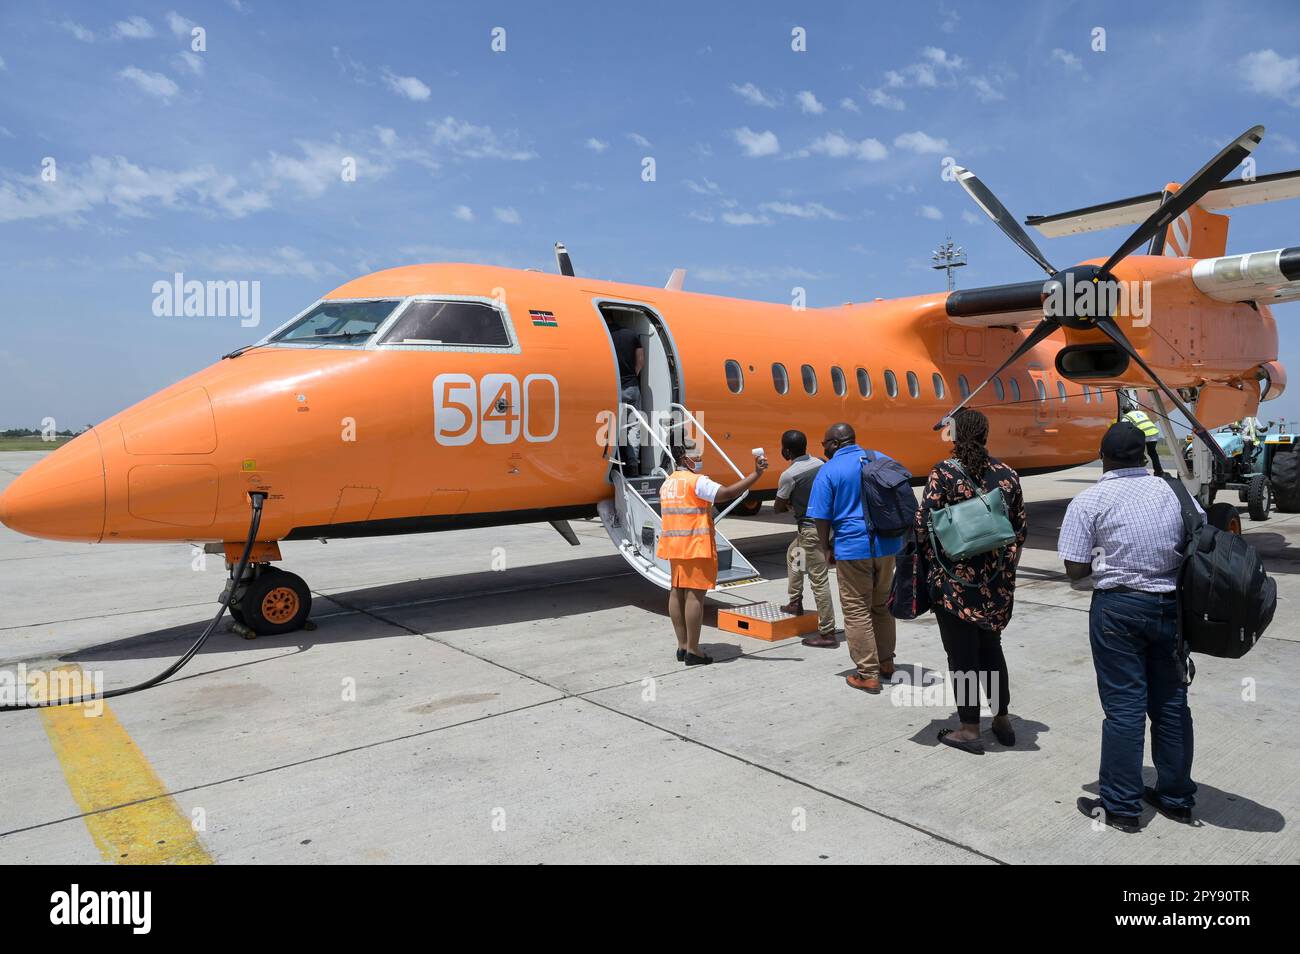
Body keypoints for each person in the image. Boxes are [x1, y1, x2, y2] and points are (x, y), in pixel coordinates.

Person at [1059, 421, 1200, 833]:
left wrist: (1110, 561)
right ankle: (1177, 798)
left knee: (1124, 709)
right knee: (1172, 704)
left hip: (1119, 609)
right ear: (1143, 455)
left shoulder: (1090, 500)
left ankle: (1121, 806)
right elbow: (1198, 538)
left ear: (1103, 457)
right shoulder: (1174, 492)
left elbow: (1074, 570)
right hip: (1170, 609)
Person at [916, 409, 1026, 754]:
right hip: (995, 585)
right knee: (992, 650)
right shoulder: (1007, 475)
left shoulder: (943, 473)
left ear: (956, 435)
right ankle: (1002, 719)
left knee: (961, 656)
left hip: (954, 586)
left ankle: (968, 728)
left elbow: (924, 525)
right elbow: (1018, 531)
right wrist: (1005, 574)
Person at [806, 422, 904, 693]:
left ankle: (868, 673)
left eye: (825, 444)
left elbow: (821, 516)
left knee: (856, 610)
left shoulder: (829, 470)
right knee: (882, 606)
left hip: (852, 547)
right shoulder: (881, 458)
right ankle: (886, 663)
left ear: (835, 444)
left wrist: (826, 547)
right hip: (887, 545)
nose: (823, 448)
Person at [657, 445, 767, 665]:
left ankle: (682, 646)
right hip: (695, 546)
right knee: (694, 596)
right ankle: (693, 650)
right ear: (686, 459)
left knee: (677, 592)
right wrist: (756, 475)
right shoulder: (696, 482)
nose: (700, 460)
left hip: (675, 546)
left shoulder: (667, 483)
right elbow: (726, 494)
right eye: (697, 457)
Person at [773, 429, 837, 645]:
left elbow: (778, 507)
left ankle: (827, 632)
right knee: (794, 555)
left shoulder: (789, 474)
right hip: (823, 526)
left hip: (812, 530)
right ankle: (795, 601)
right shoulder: (820, 462)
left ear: (786, 450)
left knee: (819, 580)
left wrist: (791, 501)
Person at [610, 324, 645, 475]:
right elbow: (640, 360)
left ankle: (615, 463)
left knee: (616, 427)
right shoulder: (631, 334)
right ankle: (633, 464)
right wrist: (633, 376)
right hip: (631, 386)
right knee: (634, 425)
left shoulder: (606, 337)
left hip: (614, 388)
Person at [1121, 407, 1163, 476]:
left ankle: (1142, 459)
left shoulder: (1126, 417)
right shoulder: (1141, 412)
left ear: (1124, 412)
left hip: (1144, 434)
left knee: (1134, 447)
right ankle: (1159, 471)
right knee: (1153, 453)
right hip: (1154, 432)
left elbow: (1123, 429)